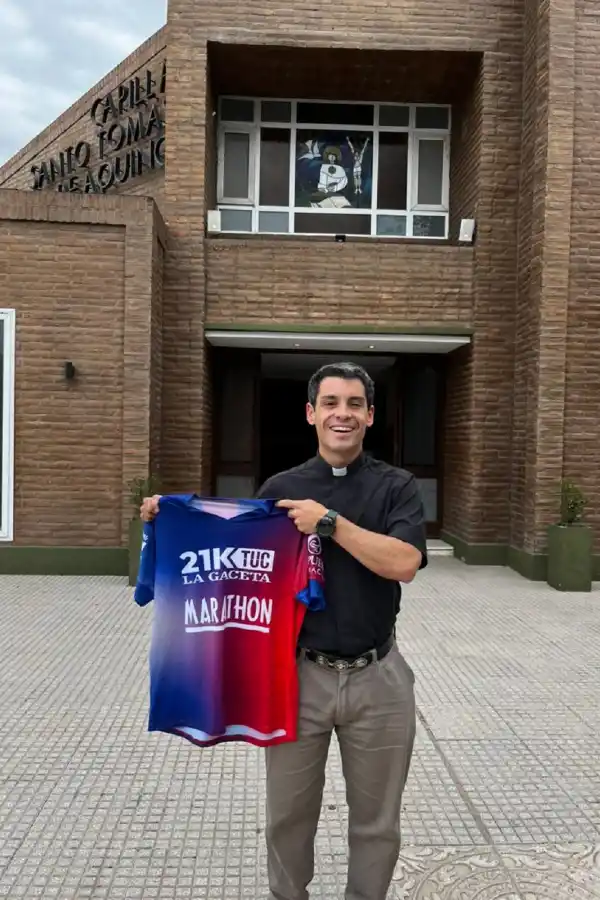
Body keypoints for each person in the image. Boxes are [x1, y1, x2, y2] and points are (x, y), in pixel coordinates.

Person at [140, 361, 427, 900]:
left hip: (379, 677)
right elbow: (232, 550)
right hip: (299, 676)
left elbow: (405, 562)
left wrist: (329, 523)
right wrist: (171, 518)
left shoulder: (397, 487)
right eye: (331, 403)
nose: (343, 414)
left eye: (355, 404)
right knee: (287, 817)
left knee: (378, 823)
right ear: (311, 413)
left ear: (370, 416)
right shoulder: (283, 488)